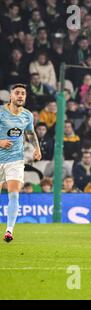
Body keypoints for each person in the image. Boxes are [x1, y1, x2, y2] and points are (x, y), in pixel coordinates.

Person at [0, 84, 42, 242]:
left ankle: (9, 231)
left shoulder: (27, 115)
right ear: (10, 96)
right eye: (17, 93)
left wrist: (36, 148)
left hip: (15, 160)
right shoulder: (1, 112)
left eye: (23, 93)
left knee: (14, 194)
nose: (20, 96)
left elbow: (30, 133)